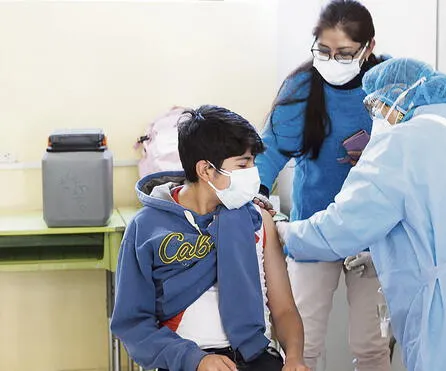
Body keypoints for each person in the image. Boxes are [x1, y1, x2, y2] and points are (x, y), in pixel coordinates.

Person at [276, 58, 446, 371]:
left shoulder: (399, 144)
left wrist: (286, 232)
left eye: (378, 107)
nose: (377, 117)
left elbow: (342, 226)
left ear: (398, 98)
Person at [110, 105, 309, 371]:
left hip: (256, 358)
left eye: (253, 162)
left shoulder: (258, 220)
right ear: (205, 170)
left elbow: (284, 309)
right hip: (184, 362)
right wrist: (196, 360)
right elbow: (133, 325)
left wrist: (294, 358)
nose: (254, 172)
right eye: (243, 164)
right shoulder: (145, 229)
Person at [253, 1, 392, 370]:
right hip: (314, 228)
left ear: (369, 47)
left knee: (372, 345)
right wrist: (255, 195)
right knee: (303, 344)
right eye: (323, 51)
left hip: (373, 235)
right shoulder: (302, 87)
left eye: (344, 53)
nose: (332, 60)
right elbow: (269, 152)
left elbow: (415, 148)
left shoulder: (391, 85)